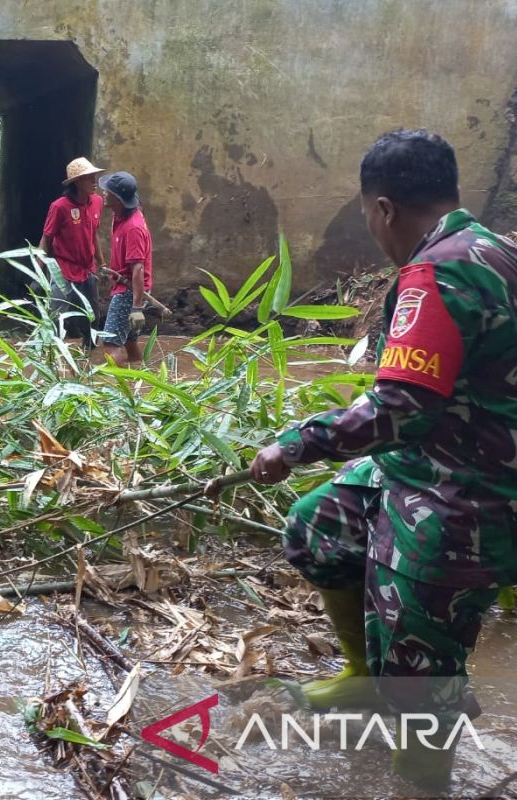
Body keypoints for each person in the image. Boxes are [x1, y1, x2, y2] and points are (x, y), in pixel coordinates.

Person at [250, 129, 517, 791]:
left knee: (421, 674)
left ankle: (420, 781)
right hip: (440, 457)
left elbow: (398, 409)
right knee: (319, 524)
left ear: (384, 209)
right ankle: (366, 682)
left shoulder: (436, 273)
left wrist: (294, 445)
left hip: (468, 488)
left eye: (371, 215)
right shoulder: (498, 251)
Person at [40, 157, 105, 348]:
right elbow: (46, 238)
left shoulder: (97, 202)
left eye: (95, 177)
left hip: (88, 269)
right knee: (56, 313)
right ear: (77, 182)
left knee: (92, 313)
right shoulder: (59, 207)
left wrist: (102, 263)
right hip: (63, 268)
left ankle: (89, 353)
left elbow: (94, 234)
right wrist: (39, 269)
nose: (94, 182)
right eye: (89, 178)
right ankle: (51, 350)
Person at [99, 171, 152, 364]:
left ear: (118, 199)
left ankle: (114, 390)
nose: (103, 193)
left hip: (129, 292)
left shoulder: (133, 228)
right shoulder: (119, 214)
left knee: (112, 344)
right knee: (129, 342)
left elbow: (137, 269)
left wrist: (136, 308)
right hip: (128, 288)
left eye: (108, 191)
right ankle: (140, 381)